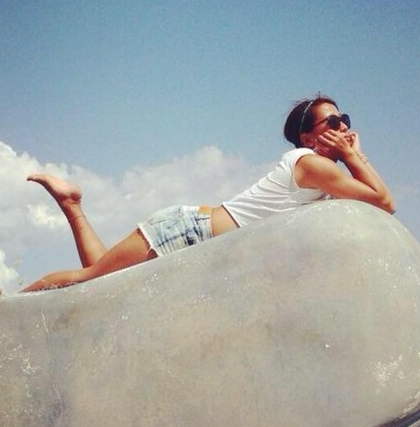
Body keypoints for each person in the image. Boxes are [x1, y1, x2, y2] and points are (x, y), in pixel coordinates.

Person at [21, 95, 394, 292]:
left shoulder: (325, 183)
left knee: (103, 286)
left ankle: (71, 204)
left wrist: (353, 154)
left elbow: (379, 204)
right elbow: (384, 201)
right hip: (189, 232)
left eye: (345, 120)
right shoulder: (309, 164)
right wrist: (353, 155)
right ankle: (3, 311)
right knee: (91, 281)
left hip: (202, 244)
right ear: (308, 138)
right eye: (333, 121)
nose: (343, 127)